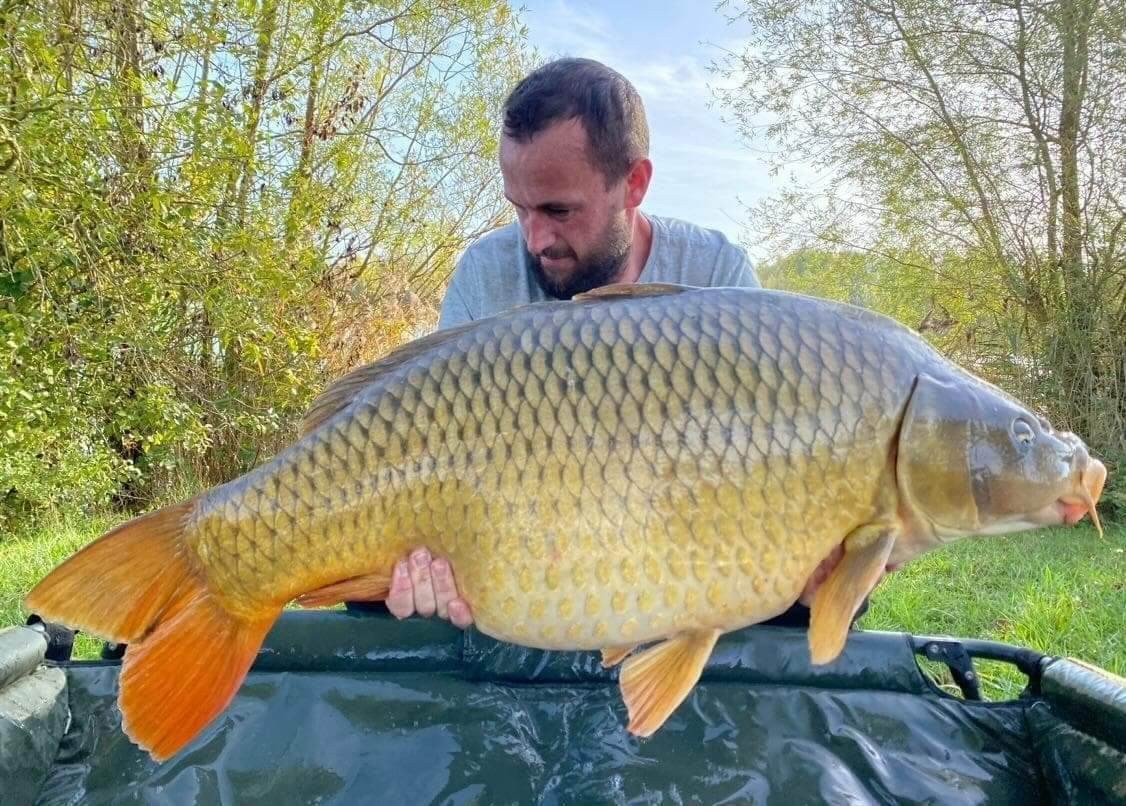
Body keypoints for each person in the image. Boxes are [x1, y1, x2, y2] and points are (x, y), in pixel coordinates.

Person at [374, 58, 865, 632]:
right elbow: (427, 450)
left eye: (559, 210)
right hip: (522, 567)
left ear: (633, 184)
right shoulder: (486, 273)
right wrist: (422, 566)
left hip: (670, 559)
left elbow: (758, 472)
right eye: (519, 208)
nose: (535, 239)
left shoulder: (716, 276)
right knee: (389, 595)